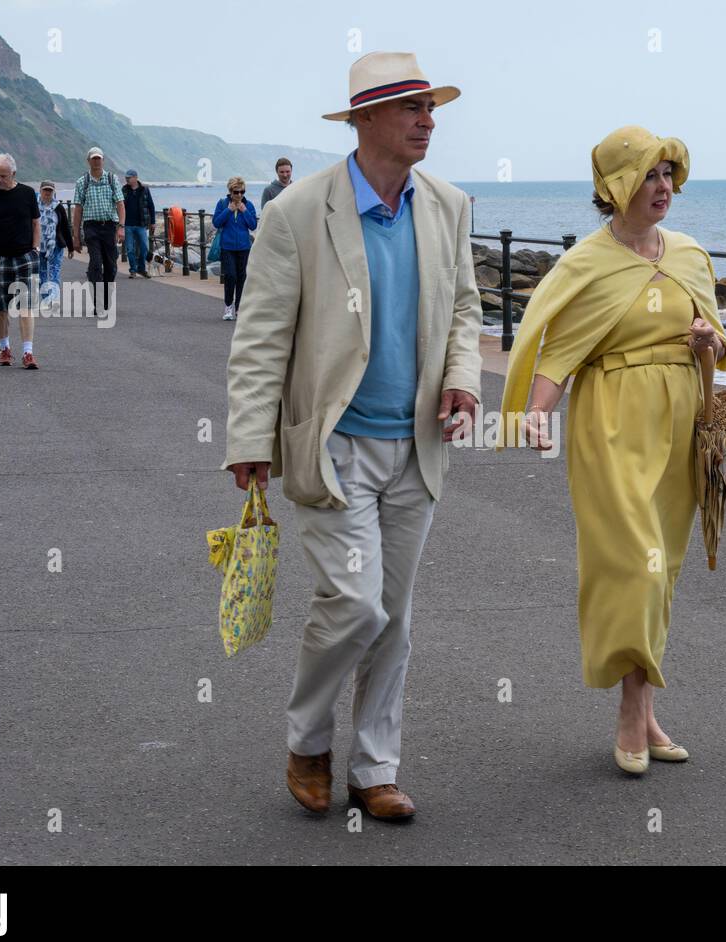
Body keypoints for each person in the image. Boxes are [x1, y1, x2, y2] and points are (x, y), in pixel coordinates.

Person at [223, 51, 481, 821]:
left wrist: (462, 375)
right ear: (364, 119)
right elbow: (262, 333)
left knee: (394, 618)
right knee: (358, 605)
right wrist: (249, 438)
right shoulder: (296, 212)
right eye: (410, 107)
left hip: (418, 445)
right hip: (333, 445)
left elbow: (465, 307)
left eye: (431, 107)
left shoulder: (449, 204)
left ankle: (375, 769)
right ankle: (307, 738)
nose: (427, 120)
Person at [500, 126, 726, 776]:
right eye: (649, 177)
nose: (663, 189)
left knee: (663, 569)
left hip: (680, 424)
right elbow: (561, 350)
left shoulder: (687, 255)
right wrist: (536, 416)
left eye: (668, 175)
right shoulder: (588, 264)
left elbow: (720, 339)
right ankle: (634, 712)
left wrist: (706, 345)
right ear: (616, 189)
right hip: (610, 426)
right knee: (632, 563)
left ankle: (644, 708)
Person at [0, 153, 41, 370]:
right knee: (0, 306)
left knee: (26, 306)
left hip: (25, 257)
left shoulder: (27, 193)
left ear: (13, 173)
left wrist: (36, 249)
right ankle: (5, 348)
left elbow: (36, 223)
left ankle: (28, 353)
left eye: (3, 175)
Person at [71, 146, 125, 316]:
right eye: (93, 158)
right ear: (88, 161)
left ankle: (107, 299)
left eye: (98, 158)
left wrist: (121, 227)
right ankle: (98, 302)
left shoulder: (111, 179)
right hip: (91, 227)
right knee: (95, 264)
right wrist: (76, 236)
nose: (96, 161)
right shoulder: (82, 182)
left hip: (109, 226)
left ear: (103, 160)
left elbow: (120, 204)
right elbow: (78, 209)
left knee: (111, 266)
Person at [211, 176, 257, 320]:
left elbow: (253, 225)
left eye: (241, 192)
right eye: (236, 192)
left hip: (244, 247)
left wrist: (244, 211)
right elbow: (216, 223)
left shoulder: (248, 205)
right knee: (230, 276)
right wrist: (228, 210)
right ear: (230, 191)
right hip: (227, 247)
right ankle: (228, 307)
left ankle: (239, 308)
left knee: (242, 278)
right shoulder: (223, 204)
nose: (239, 195)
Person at [36, 181, 74, 310]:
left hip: (56, 245)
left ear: (53, 192)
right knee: (41, 273)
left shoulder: (58, 207)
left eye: (50, 191)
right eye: (45, 190)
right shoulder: (34, 206)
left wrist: (71, 247)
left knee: (54, 272)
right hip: (38, 245)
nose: (47, 193)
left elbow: (65, 228)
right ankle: (46, 298)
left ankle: (53, 299)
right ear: (40, 191)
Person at [121, 168, 155, 278]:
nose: (127, 180)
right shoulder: (124, 190)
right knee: (130, 249)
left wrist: (153, 222)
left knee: (144, 248)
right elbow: (119, 206)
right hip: (127, 224)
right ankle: (133, 270)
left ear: (135, 178)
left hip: (141, 224)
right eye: (126, 178)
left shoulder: (144, 189)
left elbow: (151, 205)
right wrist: (119, 224)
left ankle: (141, 268)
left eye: (129, 178)